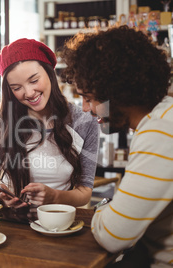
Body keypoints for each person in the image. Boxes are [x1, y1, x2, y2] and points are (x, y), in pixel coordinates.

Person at [61, 26, 173, 267]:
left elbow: (112, 235)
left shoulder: (160, 133)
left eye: (89, 97)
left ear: (118, 93)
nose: (85, 109)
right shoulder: (164, 115)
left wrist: (103, 206)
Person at [0, 38, 100, 217]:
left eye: (34, 80)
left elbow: (84, 192)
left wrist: (55, 196)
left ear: (50, 73)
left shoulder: (83, 121)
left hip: (57, 223)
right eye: (16, 87)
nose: (28, 93)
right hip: (9, 223)